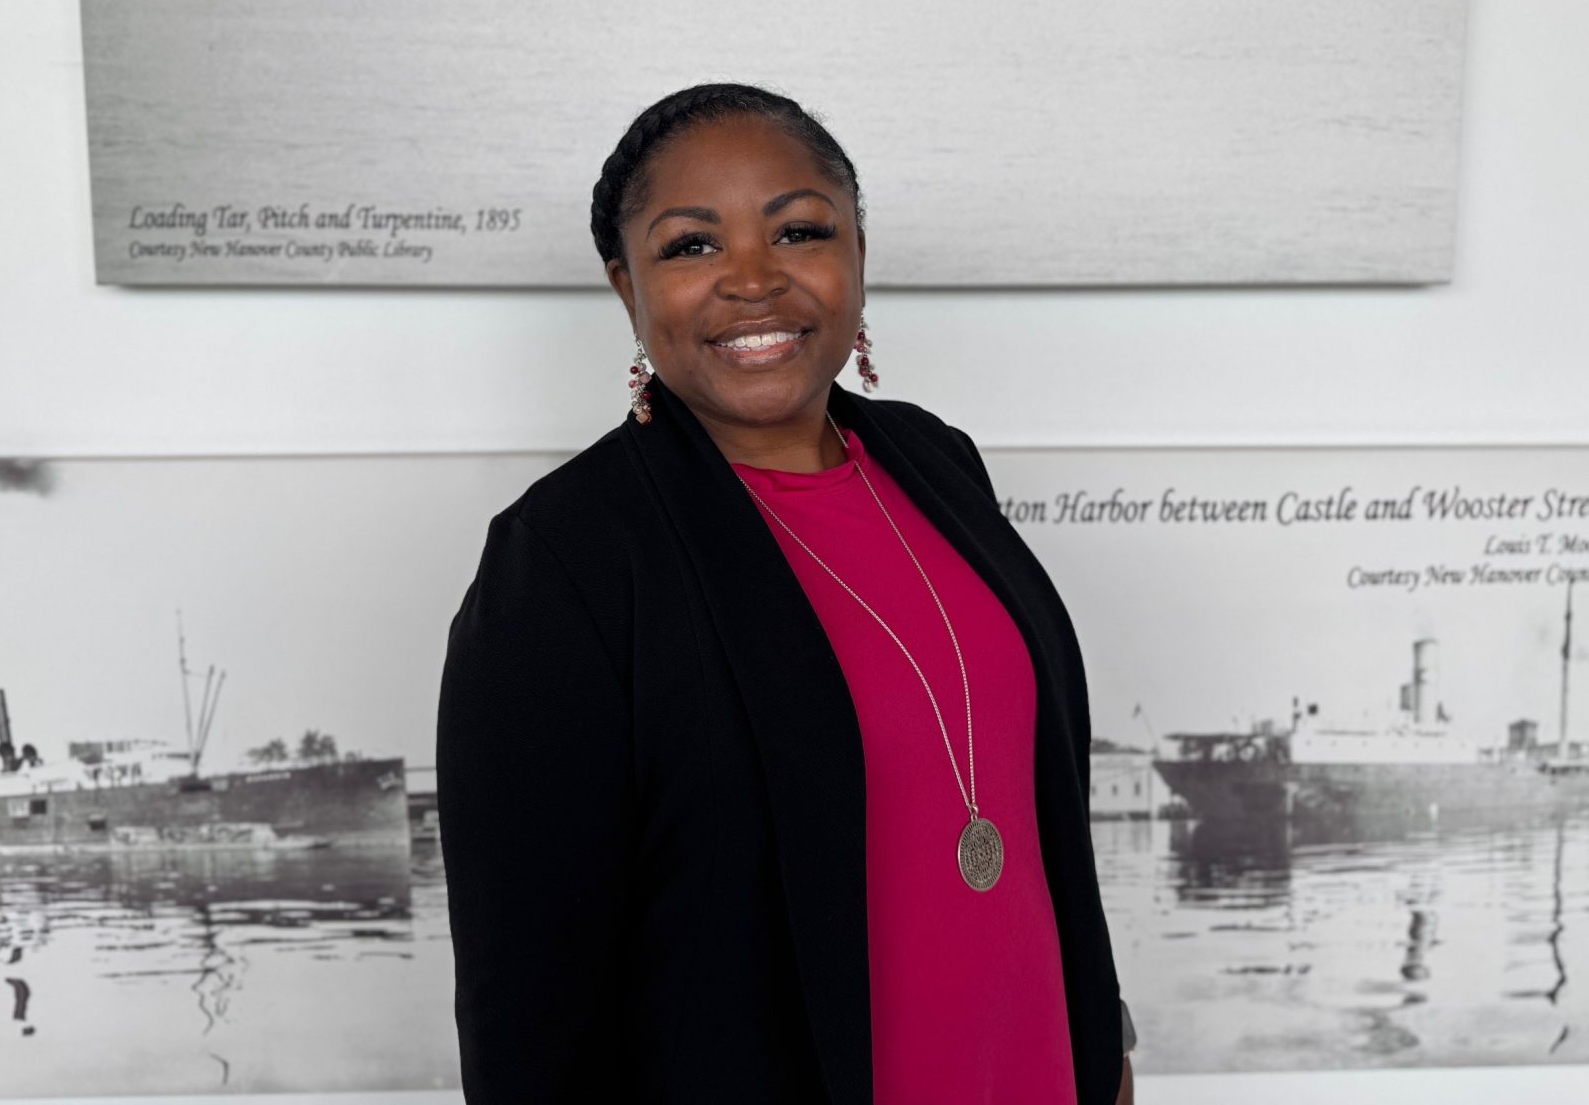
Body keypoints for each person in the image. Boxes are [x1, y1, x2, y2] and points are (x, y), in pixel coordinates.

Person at [439, 82, 1136, 1104]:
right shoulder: (566, 557)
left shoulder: (935, 460)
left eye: (799, 231)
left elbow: (1037, 813)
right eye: (691, 246)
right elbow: (527, 1010)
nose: (753, 280)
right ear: (627, 288)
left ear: (859, 253)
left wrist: (1102, 1041)